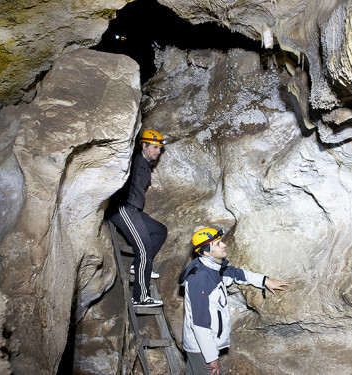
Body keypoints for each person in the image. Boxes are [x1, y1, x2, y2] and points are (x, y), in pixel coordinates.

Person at [178, 227, 289, 374]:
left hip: (202, 346)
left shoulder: (213, 268)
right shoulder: (200, 278)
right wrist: (212, 357)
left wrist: (265, 281)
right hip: (200, 348)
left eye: (221, 241)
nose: (223, 245)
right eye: (217, 244)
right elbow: (199, 323)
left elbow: (237, 273)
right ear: (206, 252)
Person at [107, 129, 168, 307]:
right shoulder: (133, 161)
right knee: (143, 249)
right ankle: (140, 297)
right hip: (122, 208)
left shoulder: (146, 166)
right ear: (143, 145)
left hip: (134, 210)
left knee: (160, 231)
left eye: (159, 149)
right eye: (154, 147)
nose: (157, 151)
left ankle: (138, 267)